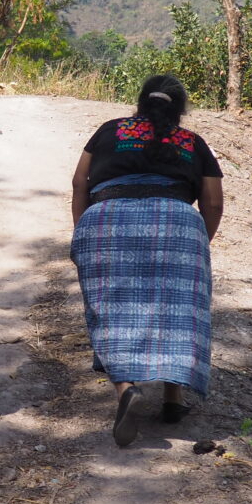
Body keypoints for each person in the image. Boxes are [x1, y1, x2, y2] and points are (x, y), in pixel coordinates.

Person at [70, 74, 224, 448]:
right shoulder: (193, 143)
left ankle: (126, 388)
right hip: (179, 222)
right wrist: (198, 240)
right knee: (177, 309)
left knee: (111, 307)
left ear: (140, 102)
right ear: (180, 110)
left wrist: (83, 230)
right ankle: (172, 399)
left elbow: (79, 182)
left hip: (107, 217)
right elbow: (213, 202)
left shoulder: (109, 131)